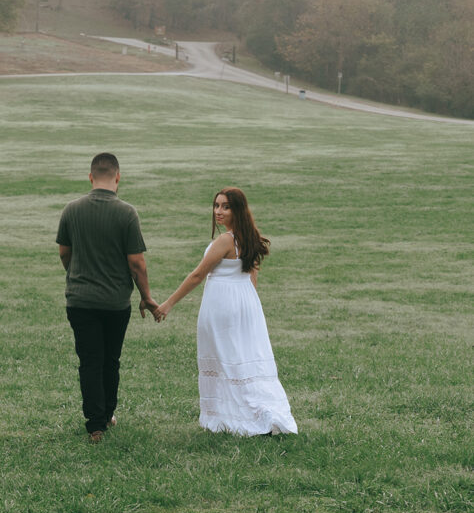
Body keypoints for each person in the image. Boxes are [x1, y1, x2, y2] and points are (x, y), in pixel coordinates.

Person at [155, 188, 297, 436]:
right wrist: (248, 310)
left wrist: (168, 304)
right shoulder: (250, 237)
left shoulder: (226, 240)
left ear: (237, 210)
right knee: (241, 358)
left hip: (222, 305)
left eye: (225, 207)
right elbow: (251, 277)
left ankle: (236, 416)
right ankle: (247, 411)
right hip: (245, 304)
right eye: (216, 205)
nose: (218, 211)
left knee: (227, 360)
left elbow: (198, 275)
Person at [56, 153, 158, 443]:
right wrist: (146, 296)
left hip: (79, 300)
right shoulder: (127, 213)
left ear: (90, 177)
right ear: (118, 177)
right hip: (115, 302)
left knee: (89, 360)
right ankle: (107, 413)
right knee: (110, 360)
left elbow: (64, 252)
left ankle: (95, 424)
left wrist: (75, 273)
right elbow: (136, 262)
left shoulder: (71, 210)